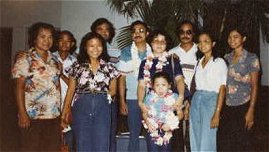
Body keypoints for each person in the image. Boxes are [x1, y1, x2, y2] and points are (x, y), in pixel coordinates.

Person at [61, 32, 119, 151]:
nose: (95, 49)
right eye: (91, 45)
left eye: (99, 45)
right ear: (85, 47)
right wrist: (65, 111)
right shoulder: (77, 66)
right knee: (82, 141)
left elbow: (113, 89)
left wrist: (103, 97)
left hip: (103, 106)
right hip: (82, 105)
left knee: (102, 141)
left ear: (103, 48)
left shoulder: (109, 67)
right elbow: (71, 90)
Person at [12, 22, 61, 151]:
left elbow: (57, 85)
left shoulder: (55, 60)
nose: (47, 40)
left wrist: (60, 111)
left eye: (50, 37)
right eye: (42, 36)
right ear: (34, 38)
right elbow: (19, 87)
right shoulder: (25, 58)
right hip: (32, 116)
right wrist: (22, 113)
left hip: (53, 115)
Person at [137, 29, 186, 151]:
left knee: (168, 146)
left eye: (163, 41)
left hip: (169, 107)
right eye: (156, 40)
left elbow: (179, 80)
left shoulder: (173, 61)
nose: (159, 43)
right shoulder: (145, 63)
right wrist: (140, 103)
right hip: (151, 108)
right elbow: (142, 85)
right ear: (151, 43)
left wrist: (180, 96)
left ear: (167, 44)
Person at [217, 27, 260, 151]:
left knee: (243, 143)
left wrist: (251, 110)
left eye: (235, 37)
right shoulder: (226, 58)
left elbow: (255, 85)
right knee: (226, 143)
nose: (232, 40)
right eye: (229, 37)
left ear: (244, 39)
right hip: (228, 106)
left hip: (244, 105)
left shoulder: (251, 58)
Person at [189, 31, 227, 151]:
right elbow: (195, 85)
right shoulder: (199, 62)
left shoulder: (219, 62)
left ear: (213, 43)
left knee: (207, 138)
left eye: (206, 41)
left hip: (211, 101)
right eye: (200, 42)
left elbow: (222, 88)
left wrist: (217, 113)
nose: (202, 44)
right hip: (196, 101)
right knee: (195, 136)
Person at [118, 20, 152, 151]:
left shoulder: (154, 50)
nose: (137, 33)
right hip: (132, 98)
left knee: (152, 133)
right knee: (134, 134)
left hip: (152, 98)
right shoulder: (126, 52)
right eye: (134, 31)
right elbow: (121, 78)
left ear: (147, 33)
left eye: (141, 31)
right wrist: (122, 101)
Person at [91, 18, 120, 152]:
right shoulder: (85, 50)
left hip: (110, 101)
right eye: (100, 29)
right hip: (88, 101)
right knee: (89, 135)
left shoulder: (117, 53)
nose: (103, 32)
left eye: (106, 29)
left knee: (109, 135)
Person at [169, 20, 198, 152]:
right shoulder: (171, 52)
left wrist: (190, 99)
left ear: (194, 33)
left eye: (189, 32)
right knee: (177, 134)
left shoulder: (200, 50)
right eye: (182, 32)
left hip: (196, 97)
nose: (185, 35)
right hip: (177, 99)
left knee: (193, 134)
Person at [142, 71, 180, 152]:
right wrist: (148, 122)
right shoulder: (149, 98)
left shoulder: (174, 97)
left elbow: (181, 114)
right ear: (153, 86)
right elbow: (144, 113)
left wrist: (170, 124)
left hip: (167, 131)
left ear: (169, 85)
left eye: (163, 85)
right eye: (157, 85)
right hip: (152, 130)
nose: (160, 88)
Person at [53, 30, 77, 151]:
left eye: (68, 41)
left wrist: (61, 73)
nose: (64, 43)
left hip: (69, 105)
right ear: (57, 43)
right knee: (52, 141)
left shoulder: (75, 61)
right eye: (61, 40)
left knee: (69, 142)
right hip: (51, 105)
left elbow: (75, 85)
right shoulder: (50, 58)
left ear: (72, 44)